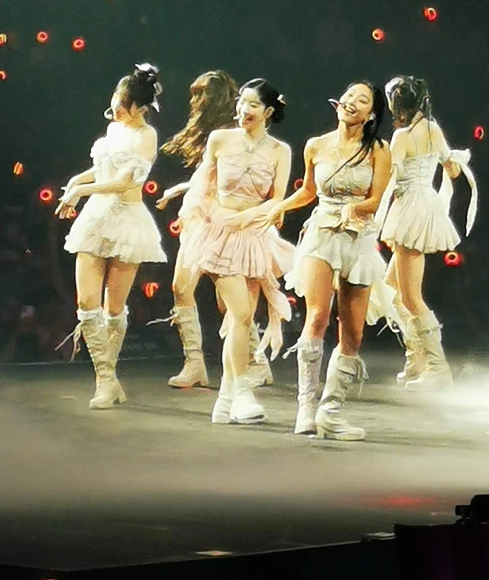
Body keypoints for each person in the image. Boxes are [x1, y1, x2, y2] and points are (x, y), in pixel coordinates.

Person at [278, 79, 392, 439]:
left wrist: (355, 209)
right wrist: (278, 208)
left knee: (353, 333)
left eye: (363, 100)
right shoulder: (316, 145)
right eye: (350, 95)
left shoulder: (378, 149)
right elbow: (308, 191)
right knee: (316, 316)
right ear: (339, 102)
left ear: (371, 114)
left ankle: (331, 411)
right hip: (322, 233)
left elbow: (377, 199)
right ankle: (306, 407)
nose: (353, 102)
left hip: (358, 237)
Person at [56, 64, 166, 409]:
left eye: (122, 103)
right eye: (115, 100)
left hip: (127, 221)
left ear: (140, 107)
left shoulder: (146, 136)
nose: (115, 108)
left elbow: (123, 183)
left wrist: (81, 191)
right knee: (86, 303)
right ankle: (106, 379)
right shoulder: (113, 129)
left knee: (113, 308)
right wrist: (75, 182)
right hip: (96, 218)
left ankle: (107, 381)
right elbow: (102, 169)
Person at [195, 79, 297, 426]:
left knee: (241, 321)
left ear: (267, 112)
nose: (243, 109)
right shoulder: (219, 139)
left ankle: (225, 401)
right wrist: (218, 215)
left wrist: (248, 218)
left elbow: (277, 199)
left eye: (252, 104)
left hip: (254, 235)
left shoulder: (280, 150)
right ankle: (242, 392)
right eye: (241, 101)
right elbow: (204, 188)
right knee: (239, 314)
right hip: (220, 234)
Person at [378, 75, 475, 389]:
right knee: (392, 289)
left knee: (410, 297)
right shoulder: (433, 129)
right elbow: (452, 168)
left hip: (410, 209)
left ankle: (437, 367)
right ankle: (417, 358)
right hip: (424, 203)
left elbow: (388, 178)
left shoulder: (402, 136)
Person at [154, 69, 240, 391]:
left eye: (200, 94)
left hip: (222, 220)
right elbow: (205, 177)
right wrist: (177, 191)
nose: (194, 101)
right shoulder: (209, 135)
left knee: (227, 299)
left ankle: (254, 361)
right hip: (197, 218)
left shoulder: (232, 134)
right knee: (181, 287)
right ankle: (194, 363)